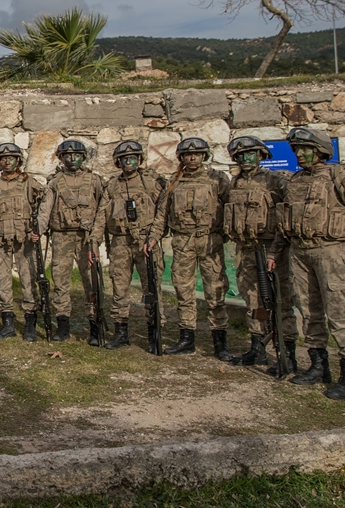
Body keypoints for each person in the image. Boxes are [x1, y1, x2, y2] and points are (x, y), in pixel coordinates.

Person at [272, 127, 345, 400]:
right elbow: (285, 223)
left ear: (321, 151)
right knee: (309, 312)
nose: (301, 154)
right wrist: (275, 253)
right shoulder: (295, 182)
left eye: (306, 149)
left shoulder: (339, 176)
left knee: (339, 313)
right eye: (297, 150)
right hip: (300, 251)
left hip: (330, 251)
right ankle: (319, 367)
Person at [146, 137, 232, 359]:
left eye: (197, 154)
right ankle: (187, 338)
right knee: (183, 291)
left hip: (210, 241)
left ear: (204, 156)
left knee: (215, 290)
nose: (192, 158)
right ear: (181, 158)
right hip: (183, 242)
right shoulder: (174, 182)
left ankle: (220, 341)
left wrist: (228, 232)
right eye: (187, 155)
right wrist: (154, 237)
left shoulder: (216, 179)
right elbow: (162, 214)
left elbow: (231, 206)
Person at [222, 136, 297, 371]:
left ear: (261, 155)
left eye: (250, 154)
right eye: (241, 155)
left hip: (271, 250)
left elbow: (291, 211)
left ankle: (287, 352)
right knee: (252, 299)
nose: (245, 159)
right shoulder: (235, 183)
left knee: (281, 301)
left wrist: (277, 250)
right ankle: (257, 347)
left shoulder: (276, 180)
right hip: (246, 250)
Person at [91, 141, 165, 349]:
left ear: (139, 160)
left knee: (151, 286)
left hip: (145, 241)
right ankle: (120, 331)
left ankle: (154, 332)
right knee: (119, 287)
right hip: (120, 242)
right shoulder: (113, 185)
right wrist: (94, 243)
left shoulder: (151, 183)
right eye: (124, 159)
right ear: (118, 162)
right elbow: (101, 216)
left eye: (133, 158)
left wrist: (154, 238)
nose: (128, 162)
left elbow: (162, 212)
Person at [36, 140, 105, 342]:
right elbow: (45, 209)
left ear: (83, 157)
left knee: (91, 282)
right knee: (60, 281)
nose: (72, 159)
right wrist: (39, 229)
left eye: (76, 155)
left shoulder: (95, 181)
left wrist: (97, 239)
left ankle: (94, 326)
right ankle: (63, 326)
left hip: (86, 238)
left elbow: (102, 210)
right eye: (67, 155)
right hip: (62, 237)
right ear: (61, 158)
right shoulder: (55, 182)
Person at [0, 143, 45, 340]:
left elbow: (46, 202)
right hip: (0, 240)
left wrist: (39, 227)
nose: (7, 161)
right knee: (2, 280)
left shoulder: (28, 183)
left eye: (11, 158)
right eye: (3, 159)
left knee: (28, 279)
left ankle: (30, 323)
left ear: (18, 161)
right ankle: (8, 323)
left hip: (24, 240)